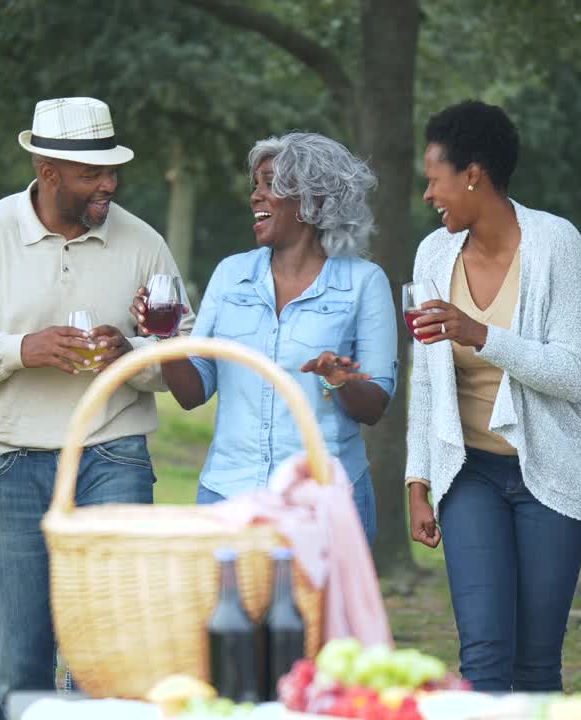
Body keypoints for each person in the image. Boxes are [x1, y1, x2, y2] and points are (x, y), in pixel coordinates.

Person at [0, 97, 192, 718]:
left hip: (114, 455)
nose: (109, 185)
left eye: (112, 172)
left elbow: (184, 358)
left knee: (109, 647)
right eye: (92, 174)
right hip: (11, 465)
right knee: (21, 656)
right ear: (48, 172)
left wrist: (132, 352)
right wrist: (23, 349)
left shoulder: (143, 241)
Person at [404, 100, 581, 692]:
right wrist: (419, 483)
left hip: (551, 479)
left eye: (434, 179)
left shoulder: (555, 244)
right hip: (468, 475)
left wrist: (480, 334)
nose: (427, 194)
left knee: (536, 664)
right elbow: (425, 381)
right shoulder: (433, 256)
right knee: (484, 661)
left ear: (473, 174)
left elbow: (576, 375)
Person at [135, 132, 397, 545]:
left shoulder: (365, 283)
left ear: (313, 197)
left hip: (324, 503)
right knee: (228, 613)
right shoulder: (230, 275)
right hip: (230, 498)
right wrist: (164, 338)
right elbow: (193, 392)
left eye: (270, 182)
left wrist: (339, 379)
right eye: (255, 184)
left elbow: (376, 404)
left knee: (320, 614)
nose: (256, 196)